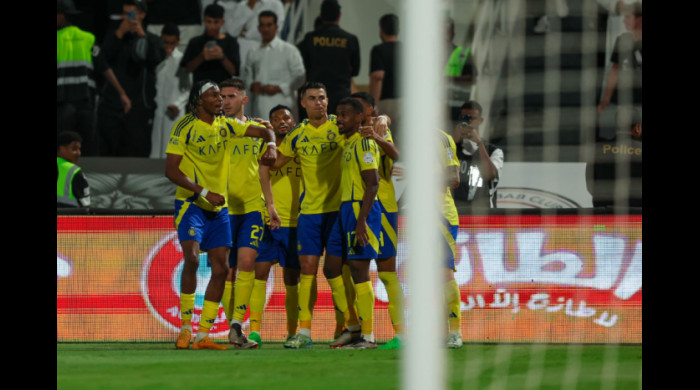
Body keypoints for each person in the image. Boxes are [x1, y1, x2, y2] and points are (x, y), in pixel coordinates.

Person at [270, 82, 388, 349]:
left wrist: (383, 117)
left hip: (340, 210)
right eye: (312, 98)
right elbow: (275, 162)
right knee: (309, 270)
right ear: (303, 103)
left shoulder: (341, 124)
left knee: (347, 270)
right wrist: (266, 133)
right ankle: (305, 332)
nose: (318, 103)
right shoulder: (297, 134)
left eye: (322, 97)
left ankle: (351, 326)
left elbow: (366, 121)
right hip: (310, 212)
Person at [166, 79, 277, 350]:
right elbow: (171, 170)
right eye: (214, 95)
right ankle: (184, 328)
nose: (220, 100)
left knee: (221, 269)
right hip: (192, 204)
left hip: (220, 209)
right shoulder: (185, 126)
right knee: (191, 259)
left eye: (223, 96)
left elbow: (264, 133)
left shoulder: (226, 125)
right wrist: (203, 192)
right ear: (198, 100)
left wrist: (272, 143)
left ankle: (203, 334)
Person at [218, 77, 276, 349]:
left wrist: (271, 206)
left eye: (231, 96)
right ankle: (232, 328)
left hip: (252, 208)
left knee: (246, 264)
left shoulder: (259, 130)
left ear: (244, 99)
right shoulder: (216, 129)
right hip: (223, 209)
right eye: (222, 97)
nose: (225, 101)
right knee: (226, 271)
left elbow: (263, 171)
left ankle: (237, 326)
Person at [323, 97, 382, 349]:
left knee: (359, 269)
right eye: (337, 114)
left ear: (359, 118)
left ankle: (368, 336)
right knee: (331, 268)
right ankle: (354, 327)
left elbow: (373, 182)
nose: (339, 118)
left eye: (344, 114)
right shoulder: (347, 143)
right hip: (344, 209)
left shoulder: (365, 144)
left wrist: (361, 222)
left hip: (360, 208)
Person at [250, 104, 307, 347]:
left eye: (286, 117)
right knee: (259, 273)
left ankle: (292, 332)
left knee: (292, 280)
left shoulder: (303, 145)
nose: (282, 121)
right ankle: (254, 331)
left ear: (294, 121)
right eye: (276, 119)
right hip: (268, 220)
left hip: (296, 221)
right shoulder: (265, 150)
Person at [351, 92, 404, 349]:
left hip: (383, 207)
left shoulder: (379, 129)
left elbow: (397, 155)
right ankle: (367, 336)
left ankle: (402, 336)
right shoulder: (346, 131)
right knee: (358, 270)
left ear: (372, 110)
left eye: (362, 109)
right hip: (355, 208)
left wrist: (378, 134)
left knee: (387, 273)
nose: (358, 114)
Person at [57, 0, 131, 156]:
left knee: (63, 147)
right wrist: (122, 92)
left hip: (63, 104)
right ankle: (90, 178)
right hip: (86, 103)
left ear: (61, 16)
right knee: (88, 147)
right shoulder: (88, 38)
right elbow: (104, 67)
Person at [96, 0, 166, 157]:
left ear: (142, 15)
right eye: (125, 14)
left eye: (131, 14)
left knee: (137, 152)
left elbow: (156, 61)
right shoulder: (115, 35)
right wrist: (119, 33)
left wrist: (142, 36)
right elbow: (102, 60)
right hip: (113, 105)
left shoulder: (152, 39)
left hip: (140, 105)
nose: (127, 18)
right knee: (110, 153)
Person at [297, 0, 360, 117]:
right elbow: (355, 71)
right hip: (341, 96)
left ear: (321, 15)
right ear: (339, 15)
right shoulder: (351, 39)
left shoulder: (310, 39)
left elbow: (302, 68)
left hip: (315, 97)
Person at [243, 10, 306, 119]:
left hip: (284, 105)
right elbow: (247, 76)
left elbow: (300, 77)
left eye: (269, 25)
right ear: (259, 28)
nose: (266, 29)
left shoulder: (289, 50)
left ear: (276, 27)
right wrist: (252, 85)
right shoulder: (253, 52)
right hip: (258, 105)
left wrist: (279, 88)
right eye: (262, 25)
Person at [597, 2, 642, 139]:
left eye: (628, 17)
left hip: (639, 105)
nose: (624, 20)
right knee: (607, 138)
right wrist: (605, 100)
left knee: (636, 141)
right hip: (619, 103)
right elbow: (614, 71)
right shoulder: (622, 41)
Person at [450, 101, 503, 212]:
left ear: (480, 121)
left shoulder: (494, 151)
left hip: (484, 215)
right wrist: (453, 140)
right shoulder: (452, 147)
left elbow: (490, 175)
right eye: (464, 117)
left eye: (472, 118)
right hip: (455, 214)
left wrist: (479, 143)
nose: (467, 122)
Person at [439, 128, 465, 349]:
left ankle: (455, 332)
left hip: (441, 216)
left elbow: (454, 179)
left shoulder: (442, 138)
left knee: (444, 274)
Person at [586, 107, 642, 208]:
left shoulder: (598, 149)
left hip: (604, 215)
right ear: (637, 128)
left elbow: (590, 186)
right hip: (637, 217)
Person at [150, 24, 190, 159]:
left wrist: (177, 104)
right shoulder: (156, 59)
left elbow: (188, 88)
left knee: (172, 153)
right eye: (165, 42)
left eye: (172, 43)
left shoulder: (182, 60)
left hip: (174, 113)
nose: (168, 46)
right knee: (156, 152)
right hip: (158, 112)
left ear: (178, 41)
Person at [181, 2, 241, 85]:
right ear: (204, 21)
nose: (212, 26)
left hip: (222, 91)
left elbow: (234, 71)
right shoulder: (195, 42)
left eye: (216, 22)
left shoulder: (231, 42)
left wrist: (222, 57)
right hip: (201, 90)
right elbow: (187, 69)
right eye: (209, 22)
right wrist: (202, 56)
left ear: (222, 22)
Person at [369, 14, 402, 146]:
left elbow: (378, 77)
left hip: (387, 102)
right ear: (398, 30)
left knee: (385, 139)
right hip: (408, 102)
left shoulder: (379, 50)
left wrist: (374, 104)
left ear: (380, 29)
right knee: (403, 142)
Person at [57, 131, 91, 208]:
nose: (79, 153)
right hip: (67, 218)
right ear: (62, 149)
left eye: (79, 149)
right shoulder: (74, 171)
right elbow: (86, 205)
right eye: (74, 149)